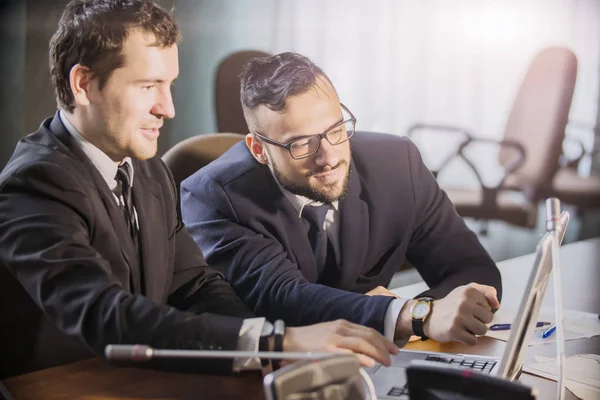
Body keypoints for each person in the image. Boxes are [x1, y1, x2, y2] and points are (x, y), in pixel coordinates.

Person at [0, 2, 397, 376]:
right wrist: (277, 341)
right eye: (148, 86)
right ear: (84, 84)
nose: (167, 108)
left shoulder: (146, 168)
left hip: (142, 382)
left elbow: (194, 284)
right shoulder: (34, 184)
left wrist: (275, 350)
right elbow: (106, 314)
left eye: (169, 84)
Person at [181, 52, 503, 347]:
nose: (328, 157)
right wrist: (409, 316)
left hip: (376, 367)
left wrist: (424, 313)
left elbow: (473, 268)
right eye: (301, 144)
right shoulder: (212, 198)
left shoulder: (397, 164)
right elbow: (284, 298)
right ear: (259, 150)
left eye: (336, 128)